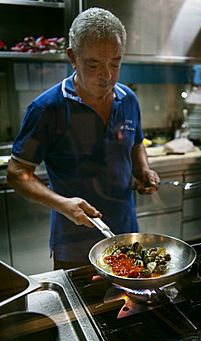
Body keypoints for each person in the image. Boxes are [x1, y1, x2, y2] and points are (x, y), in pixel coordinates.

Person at [7, 7, 160, 270]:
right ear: (72, 58)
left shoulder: (128, 99)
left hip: (126, 235)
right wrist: (63, 204)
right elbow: (17, 172)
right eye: (93, 64)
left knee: (127, 308)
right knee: (81, 311)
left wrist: (143, 170)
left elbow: (135, 145)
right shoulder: (47, 108)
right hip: (75, 242)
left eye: (115, 63)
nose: (107, 75)